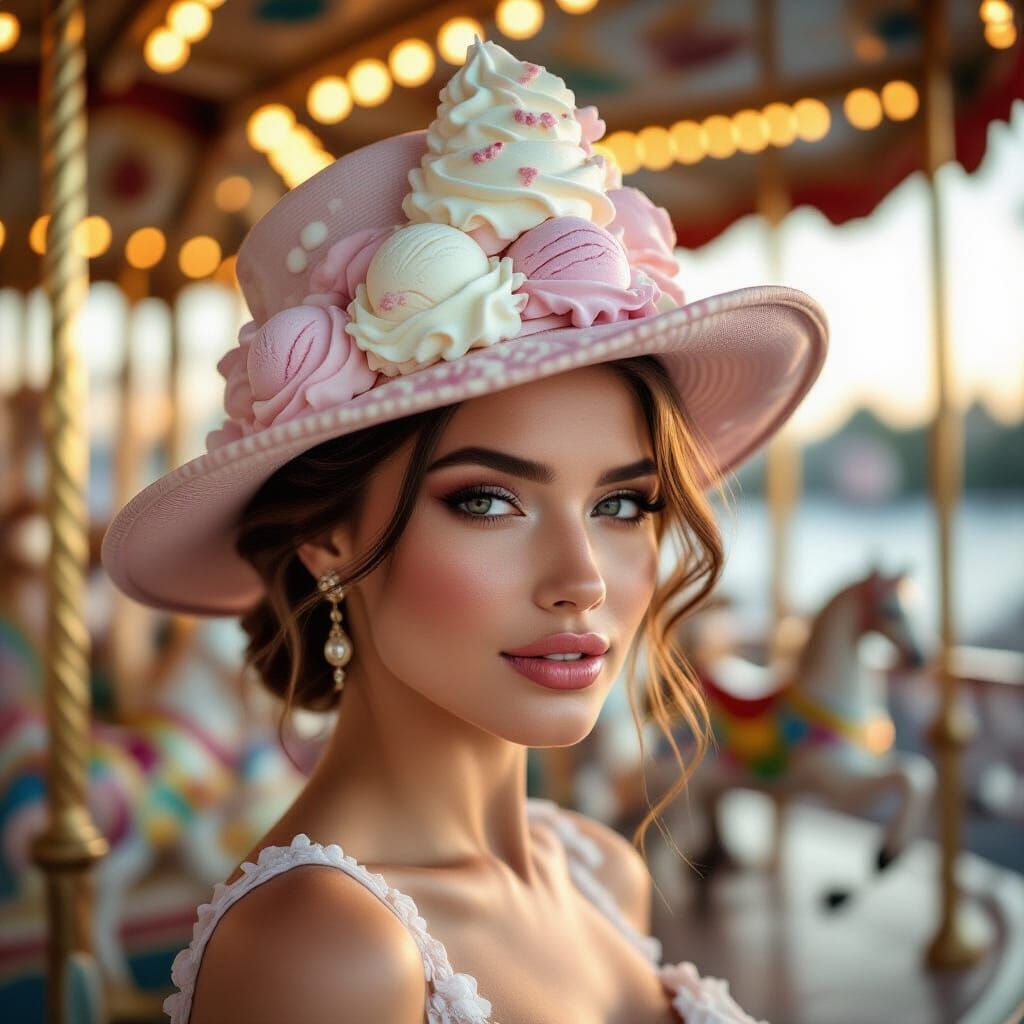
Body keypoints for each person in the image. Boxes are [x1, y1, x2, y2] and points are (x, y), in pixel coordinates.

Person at [101, 37, 827, 1024]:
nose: (583, 579)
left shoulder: (598, 871)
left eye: (622, 504)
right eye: (488, 500)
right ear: (323, 533)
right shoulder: (327, 954)